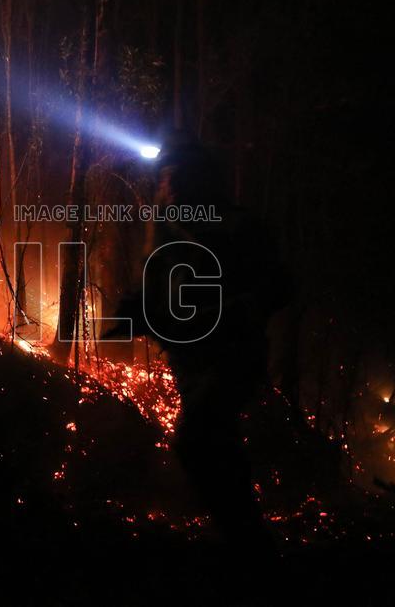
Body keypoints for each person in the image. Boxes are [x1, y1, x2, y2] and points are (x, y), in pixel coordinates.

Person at [133, 130, 290, 558]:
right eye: (167, 178)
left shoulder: (239, 227)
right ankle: (249, 546)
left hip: (232, 356)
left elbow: (278, 285)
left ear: (204, 180)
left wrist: (247, 305)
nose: (172, 185)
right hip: (192, 359)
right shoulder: (165, 230)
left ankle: (250, 543)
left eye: (180, 176)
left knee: (197, 437)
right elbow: (155, 285)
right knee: (217, 445)